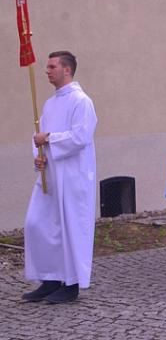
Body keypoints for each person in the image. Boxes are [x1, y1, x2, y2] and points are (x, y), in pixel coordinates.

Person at [22, 51, 97, 304]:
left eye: (52, 66)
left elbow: (80, 137)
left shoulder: (81, 101)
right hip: (50, 176)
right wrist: (38, 156)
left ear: (67, 70)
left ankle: (72, 283)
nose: (47, 71)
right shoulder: (49, 104)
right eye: (47, 67)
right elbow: (38, 137)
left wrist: (50, 139)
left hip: (73, 177)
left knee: (70, 228)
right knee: (38, 224)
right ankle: (50, 278)